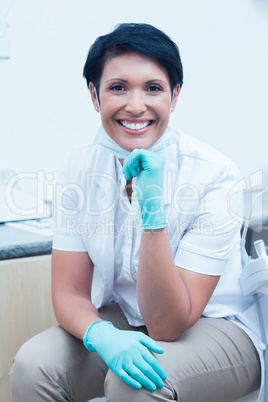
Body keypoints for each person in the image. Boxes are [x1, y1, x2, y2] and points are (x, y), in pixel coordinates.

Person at [9, 23, 265, 402]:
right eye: (117, 87)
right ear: (94, 95)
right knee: (34, 366)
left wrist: (152, 212)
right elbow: (69, 291)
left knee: (136, 386)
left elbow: (167, 325)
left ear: (174, 96)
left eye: (153, 88)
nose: (135, 104)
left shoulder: (214, 174)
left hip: (216, 325)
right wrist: (102, 335)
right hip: (124, 318)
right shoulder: (79, 167)